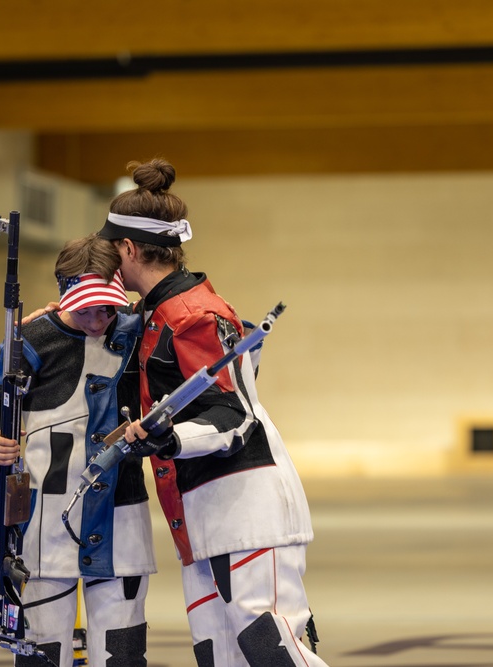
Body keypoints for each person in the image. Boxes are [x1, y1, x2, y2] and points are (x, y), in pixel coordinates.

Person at [98, 158, 329, 667]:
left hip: (244, 510)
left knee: (274, 655)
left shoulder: (190, 313)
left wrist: (167, 437)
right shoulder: (162, 310)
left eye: (112, 252)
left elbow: (233, 414)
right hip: (203, 514)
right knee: (221, 657)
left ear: (130, 249)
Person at [0, 234, 155, 667]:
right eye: (86, 307)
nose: (98, 319)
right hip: (45, 524)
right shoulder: (32, 337)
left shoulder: (140, 328)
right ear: (65, 294)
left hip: (122, 517)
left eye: (107, 306)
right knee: (43, 653)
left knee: (122, 654)